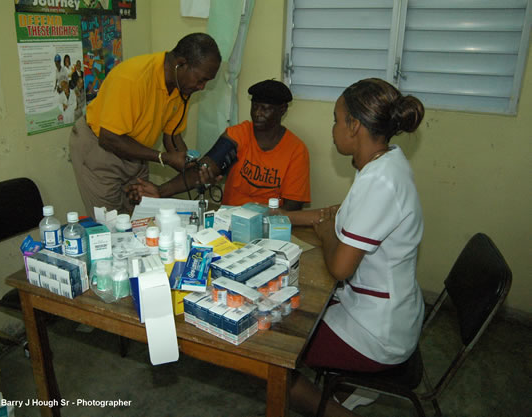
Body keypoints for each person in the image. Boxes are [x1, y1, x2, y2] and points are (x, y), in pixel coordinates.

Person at [289, 78, 425, 417]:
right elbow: (336, 216)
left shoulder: (379, 181)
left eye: (336, 120)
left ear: (355, 126)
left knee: (276, 353)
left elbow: (340, 267)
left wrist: (323, 234)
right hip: (381, 309)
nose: (333, 129)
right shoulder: (385, 162)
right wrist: (283, 216)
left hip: (378, 333)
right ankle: (345, 387)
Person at [69, 33, 221, 216]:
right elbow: (109, 138)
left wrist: (191, 167)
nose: (202, 87)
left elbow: (172, 136)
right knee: (110, 223)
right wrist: (163, 158)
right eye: (201, 79)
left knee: (141, 216)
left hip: (136, 151)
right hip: (100, 150)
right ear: (181, 64)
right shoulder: (133, 78)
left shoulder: (182, 86)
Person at [126, 79, 310, 211]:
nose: (258, 114)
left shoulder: (296, 150)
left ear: (282, 110)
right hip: (231, 219)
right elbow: (203, 169)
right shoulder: (238, 134)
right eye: (255, 106)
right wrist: (160, 191)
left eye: (266, 108)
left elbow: (293, 207)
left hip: (270, 224)